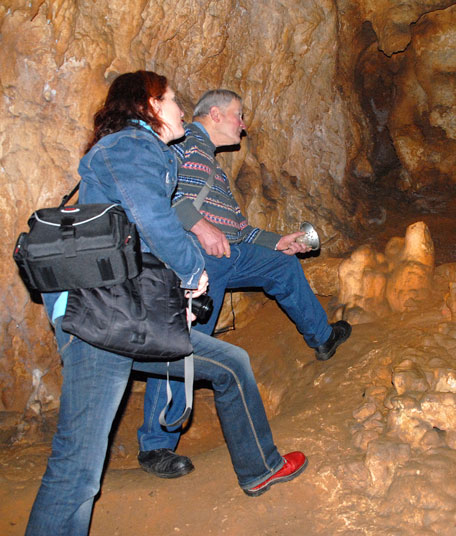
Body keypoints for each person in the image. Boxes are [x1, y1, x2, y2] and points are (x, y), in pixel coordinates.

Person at [25, 71, 307, 536]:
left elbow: (151, 219)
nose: (181, 110)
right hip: (99, 318)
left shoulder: (135, 152)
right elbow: (151, 215)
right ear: (149, 106)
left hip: (123, 315)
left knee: (231, 363)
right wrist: (192, 270)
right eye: (173, 101)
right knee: (78, 465)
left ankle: (260, 467)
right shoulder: (130, 146)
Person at [136, 89, 351, 478]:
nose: (243, 124)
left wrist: (279, 242)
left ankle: (323, 337)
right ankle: (156, 445)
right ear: (215, 114)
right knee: (183, 347)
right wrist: (200, 227)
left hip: (228, 254)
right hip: (197, 260)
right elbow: (156, 192)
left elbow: (236, 229)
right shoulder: (183, 144)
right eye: (239, 115)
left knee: (282, 267)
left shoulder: (211, 163)